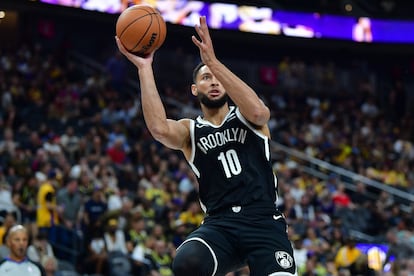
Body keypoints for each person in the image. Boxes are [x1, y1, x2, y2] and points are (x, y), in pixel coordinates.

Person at [115, 15, 297, 276]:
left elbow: (260, 113)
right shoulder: (191, 130)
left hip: (263, 221)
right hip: (220, 224)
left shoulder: (245, 116)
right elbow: (158, 128)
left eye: (217, 78)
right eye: (206, 77)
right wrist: (144, 68)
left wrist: (212, 61)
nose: (213, 81)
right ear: (193, 89)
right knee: (187, 263)